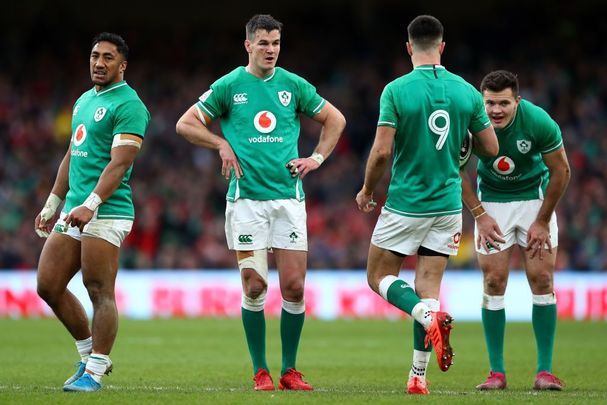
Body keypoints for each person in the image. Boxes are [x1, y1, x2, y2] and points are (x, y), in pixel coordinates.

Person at [176, 14, 345, 391]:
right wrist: (220, 143)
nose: (271, 50)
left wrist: (316, 159)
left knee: (295, 288)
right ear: (248, 45)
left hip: (288, 198)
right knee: (254, 286)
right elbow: (185, 123)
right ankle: (260, 370)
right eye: (264, 43)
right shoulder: (229, 86)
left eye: (276, 43)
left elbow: (335, 119)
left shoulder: (293, 85)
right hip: (246, 201)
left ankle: (289, 370)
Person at [355, 15, 499, 395]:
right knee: (429, 285)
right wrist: (464, 140)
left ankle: (426, 315)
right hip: (449, 205)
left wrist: (368, 189)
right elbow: (491, 149)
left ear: (408, 47)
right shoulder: (467, 92)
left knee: (377, 277)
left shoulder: (396, 91)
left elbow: (383, 150)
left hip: (407, 203)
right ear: (442, 46)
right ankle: (418, 377)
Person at [35, 32, 150, 392]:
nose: (99, 63)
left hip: (108, 210)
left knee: (98, 288)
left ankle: (96, 371)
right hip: (74, 208)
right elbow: (74, 154)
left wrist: (91, 203)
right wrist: (54, 202)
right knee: (48, 285)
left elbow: (119, 163)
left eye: (108, 58)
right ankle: (87, 355)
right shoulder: (84, 100)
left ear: (122, 65)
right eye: (95, 55)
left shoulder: (129, 105)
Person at [460, 70, 570, 391]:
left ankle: (544, 371)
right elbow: (455, 171)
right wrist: (480, 215)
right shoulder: (470, 124)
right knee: (494, 281)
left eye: (503, 103)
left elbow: (561, 170)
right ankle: (496, 373)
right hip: (492, 204)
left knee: (542, 279)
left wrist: (542, 219)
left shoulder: (537, 121)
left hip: (535, 201)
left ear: (517, 101)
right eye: (490, 103)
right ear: (482, 101)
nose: (496, 110)